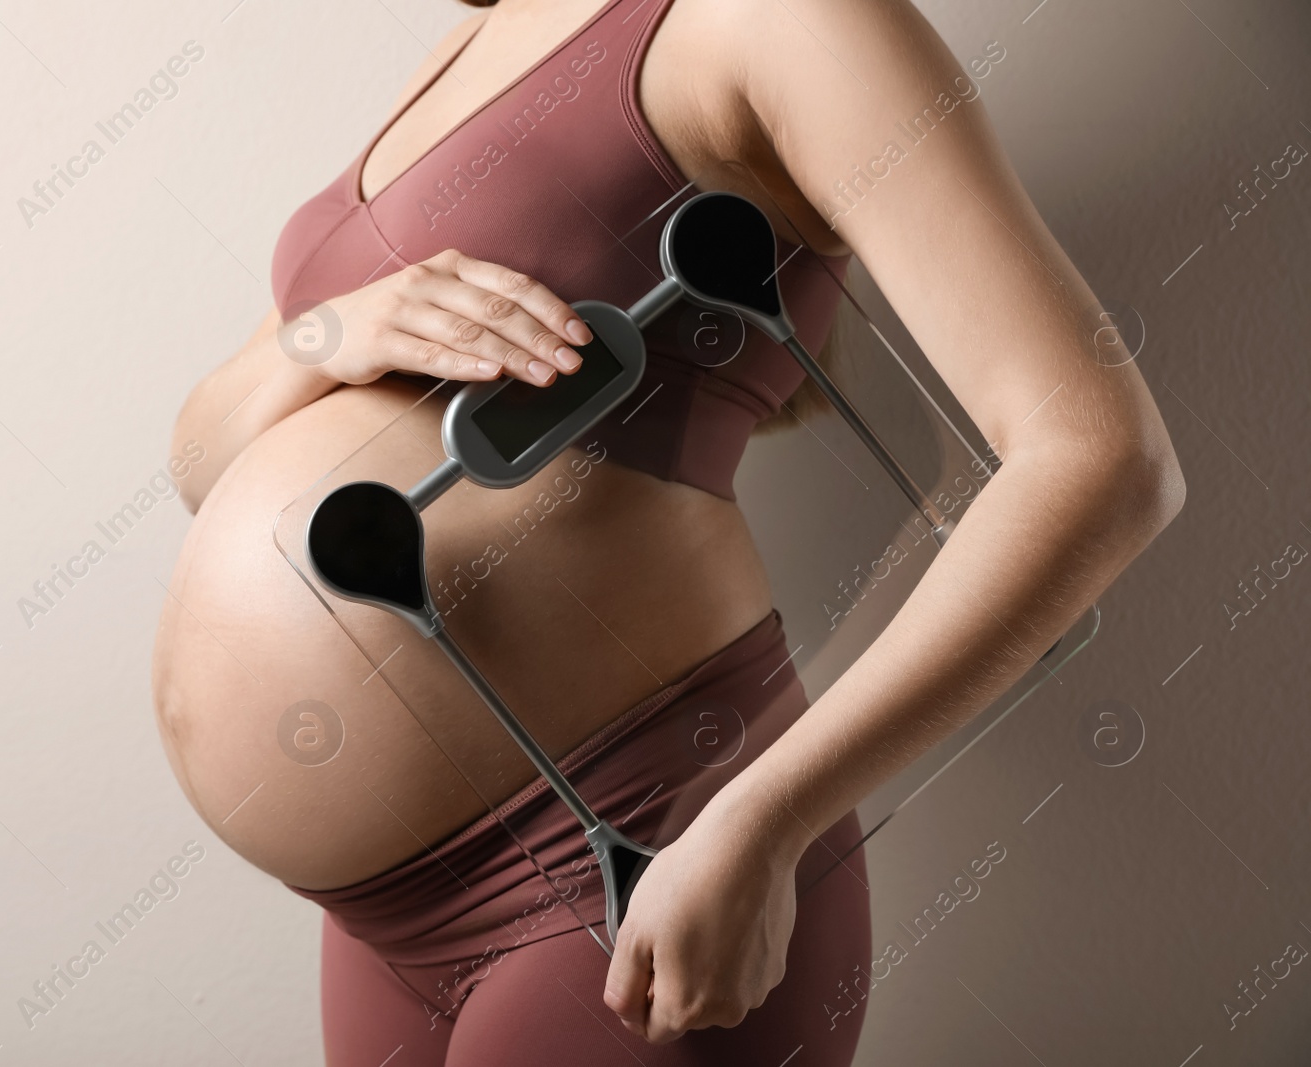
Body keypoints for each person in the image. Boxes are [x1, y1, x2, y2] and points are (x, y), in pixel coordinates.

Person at [151, 0, 1185, 1062]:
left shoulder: (780, 19)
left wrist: (766, 818)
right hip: (376, 918)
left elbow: (1100, 458)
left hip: (638, 847)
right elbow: (199, 461)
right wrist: (332, 330)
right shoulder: (470, 42)